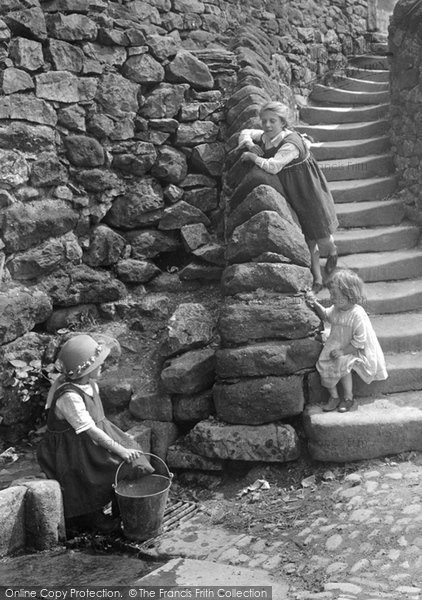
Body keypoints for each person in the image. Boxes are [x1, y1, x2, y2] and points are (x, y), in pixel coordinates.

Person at [37, 334, 154, 534]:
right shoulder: (69, 397)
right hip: (72, 449)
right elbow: (89, 429)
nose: (102, 366)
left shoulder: (90, 385)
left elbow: (98, 421)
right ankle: (91, 517)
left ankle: (123, 509)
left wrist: (124, 441)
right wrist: (119, 449)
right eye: (98, 363)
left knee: (137, 457)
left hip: (91, 438)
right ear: (85, 369)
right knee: (94, 477)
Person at [234, 100, 339, 292]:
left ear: (283, 122)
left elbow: (273, 166)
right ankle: (317, 278)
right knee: (307, 237)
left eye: (272, 121)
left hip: (307, 189)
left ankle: (332, 251)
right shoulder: (266, 136)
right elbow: (246, 132)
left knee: (321, 234)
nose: (266, 125)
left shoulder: (290, 143)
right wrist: (250, 145)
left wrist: (252, 157)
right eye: (264, 121)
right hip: (290, 188)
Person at [306, 268, 387, 413]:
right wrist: (315, 304)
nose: (331, 298)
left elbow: (360, 341)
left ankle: (348, 397)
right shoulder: (337, 309)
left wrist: (342, 352)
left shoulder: (357, 314)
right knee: (323, 363)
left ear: (349, 295)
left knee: (343, 364)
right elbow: (326, 315)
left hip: (352, 348)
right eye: (331, 294)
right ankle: (334, 396)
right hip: (336, 343)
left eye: (335, 295)